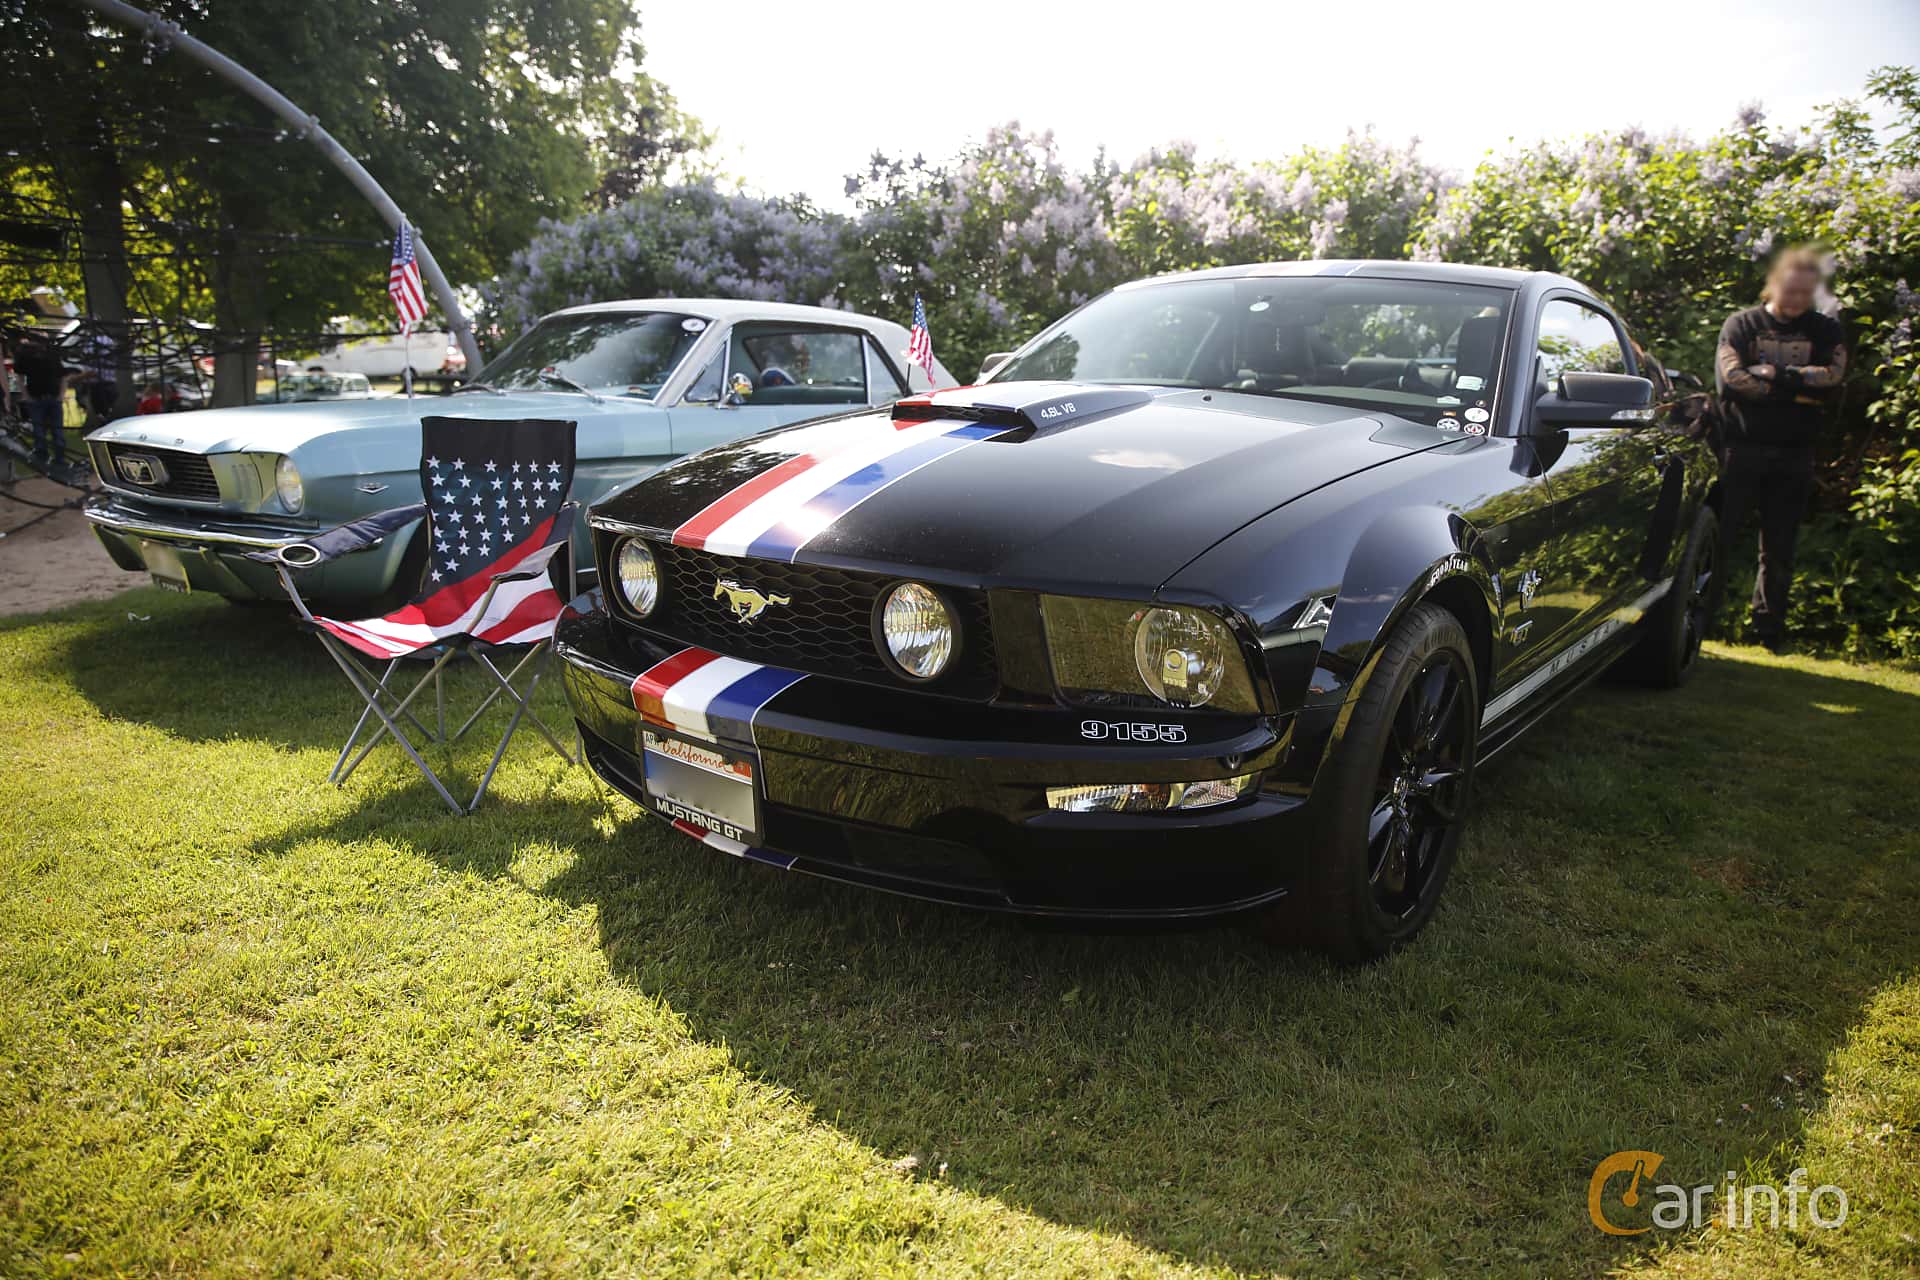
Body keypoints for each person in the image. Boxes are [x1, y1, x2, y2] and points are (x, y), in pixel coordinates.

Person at [1713, 245, 1848, 650]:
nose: (1797, 301)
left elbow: (1833, 376)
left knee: (1780, 548)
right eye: (1791, 291)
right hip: (1740, 449)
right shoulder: (1741, 325)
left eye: (1806, 294)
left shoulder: (1826, 330)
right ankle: (1702, 618)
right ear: (1772, 285)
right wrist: (1796, 392)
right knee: (1717, 537)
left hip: (1794, 452)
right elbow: (1733, 379)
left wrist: (1777, 375)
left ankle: (1767, 632)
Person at [12, 332, 68, 469]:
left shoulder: (52, 355)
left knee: (58, 431)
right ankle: (42, 459)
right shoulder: (26, 357)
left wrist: (61, 395)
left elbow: (63, 376)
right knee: (38, 431)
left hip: (53, 398)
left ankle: (60, 460)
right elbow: (19, 376)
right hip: (36, 399)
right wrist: (26, 395)